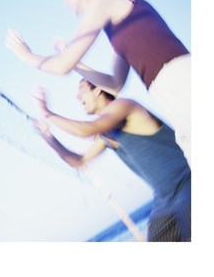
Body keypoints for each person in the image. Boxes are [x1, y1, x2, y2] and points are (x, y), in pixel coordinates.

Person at [6, 0, 191, 164]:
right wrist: (73, 61)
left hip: (178, 79)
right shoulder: (117, 21)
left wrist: (26, 56)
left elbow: (61, 67)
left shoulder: (103, 0)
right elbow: (115, 85)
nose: (64, 1)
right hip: (168, 87)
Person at [32, 80, 191, 242]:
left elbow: (85, 130)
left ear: (98, 90)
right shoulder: (105, 135)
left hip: (188, 184)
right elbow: (78, 161)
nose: (77, 97)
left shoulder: (125, 105)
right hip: (165, 200)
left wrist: (47, 113)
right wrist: (49, 138)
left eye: (81, 89)